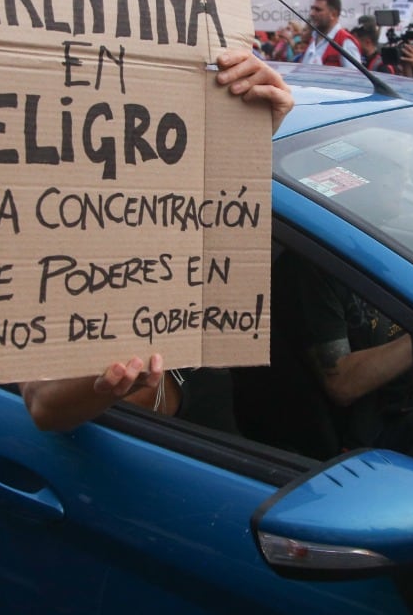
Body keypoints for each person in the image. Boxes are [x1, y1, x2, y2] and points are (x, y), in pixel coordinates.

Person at [23, 49, 295, 432]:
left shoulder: (168, 210)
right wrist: (104, 382)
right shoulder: (45, 235)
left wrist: (251, 121)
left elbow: (204, 191)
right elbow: (41, 402)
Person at [299, 0, 359, 66]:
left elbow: (354, 76)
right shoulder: (314, 39)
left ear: (333, 14)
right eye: (312, 9)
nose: (312, 13)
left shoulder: (345, 42)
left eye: (318, 10)